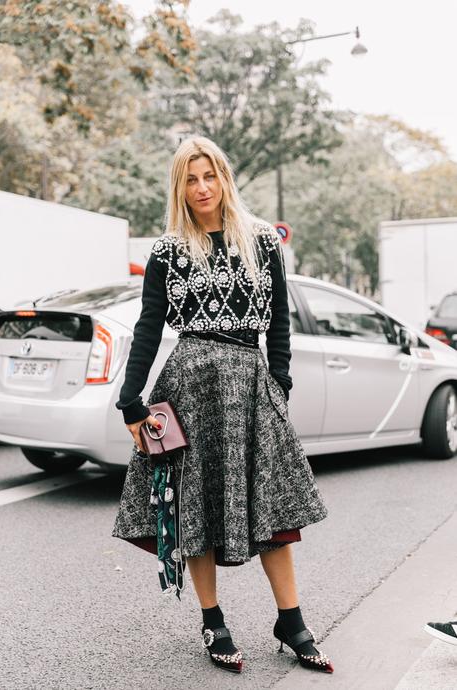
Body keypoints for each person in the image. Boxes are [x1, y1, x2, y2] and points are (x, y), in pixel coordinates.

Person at [111, 136, 333, 675]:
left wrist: (278, 383)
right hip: (190, 384)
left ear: (225, 178)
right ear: (179, 187)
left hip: (251, 384)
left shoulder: (261, 241)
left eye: (209, 175)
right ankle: (213, 620)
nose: (201, 187)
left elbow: (278, 321)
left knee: (272, 508)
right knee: (197, 506)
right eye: (190, 179)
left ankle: (292, 620)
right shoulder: (168, 251)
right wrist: (130, 400)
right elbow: (148, 328)